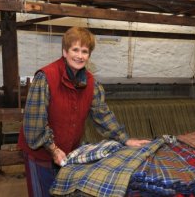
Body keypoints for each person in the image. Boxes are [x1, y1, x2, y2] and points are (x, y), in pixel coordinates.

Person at [18, 26, 150, 197]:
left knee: (64, 193)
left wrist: (125, 139)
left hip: (69, 153)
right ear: (65, 52)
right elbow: (34, 126)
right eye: (75, 50)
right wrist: (53, 149)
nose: (79, 56)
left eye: (85, 51)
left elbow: (102, 115)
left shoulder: (90, 82)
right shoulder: (45, 77)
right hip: (41, 154)